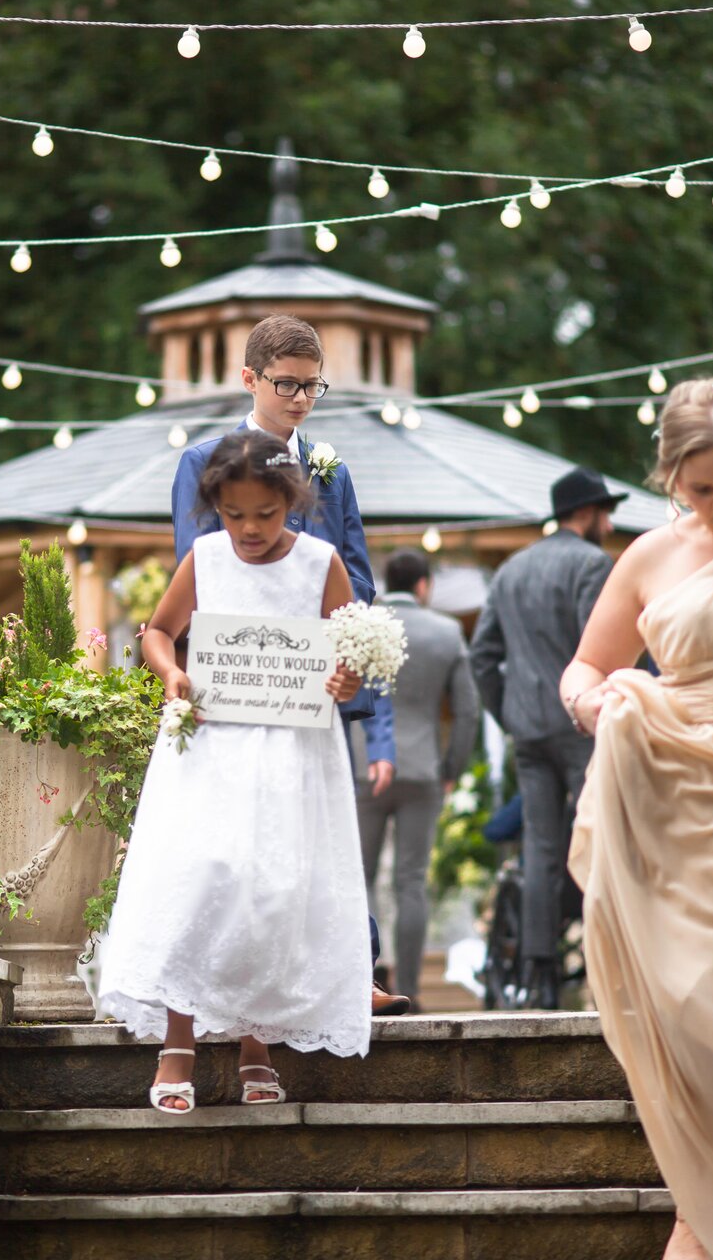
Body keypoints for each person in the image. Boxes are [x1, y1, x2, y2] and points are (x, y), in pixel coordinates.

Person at [561, 378, 713, 1260]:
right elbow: (585, 665)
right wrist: (597, 701)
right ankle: (703, 1201)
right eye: (705, 491)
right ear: (673, 484)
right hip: (683, 795)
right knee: (701, 1005)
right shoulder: (649, 555)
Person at [84, 431, 373, 1110]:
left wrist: (345, 679)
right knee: (202, 880)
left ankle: (255, 1040)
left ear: (291, 504)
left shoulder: (321, 563)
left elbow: (351, 654)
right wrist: (171, 674)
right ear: (215, 507)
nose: (248, 529)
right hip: (212, 748)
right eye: (234, 514)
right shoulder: (206, 559)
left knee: (273, 892)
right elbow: (156, 630)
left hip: (294, 755)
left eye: (265, 515)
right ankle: (177, 1040)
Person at [171, 312, 409, 1016]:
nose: (301, 399)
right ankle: (233, 981)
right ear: (249, 379)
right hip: (238, 678)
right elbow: (198, 571)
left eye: (313, 387)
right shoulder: (202, 461)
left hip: (316, 685)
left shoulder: (333, 471)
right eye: (286, 385)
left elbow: (357, 579)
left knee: (325, 832)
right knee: (240, 845)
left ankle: (350, 975)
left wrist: (348, 653)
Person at [469, 466, 627, 1009]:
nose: (608, 523)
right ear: (587, 513)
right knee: (602, 836)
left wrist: (509, 715)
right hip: (582, 722)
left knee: (539, 846)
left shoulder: (512, 569)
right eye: (605, 512)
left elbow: (483, 655)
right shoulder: (591, 564)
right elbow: (600, 651)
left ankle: (538, 972)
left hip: (529, 729)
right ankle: (607, 963)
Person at [354, 549, 480, 1006]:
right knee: (410, 880)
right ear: (424, 586)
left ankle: (364, 981)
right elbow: (467, 710)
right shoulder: (446, 632)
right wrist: (451, 768)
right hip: (423, 767)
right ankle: (407, 988)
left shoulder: (364, 626)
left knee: (359, 876)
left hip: (364, 766)